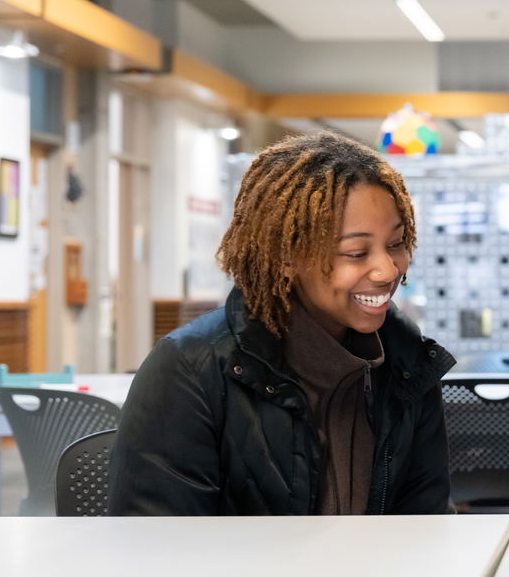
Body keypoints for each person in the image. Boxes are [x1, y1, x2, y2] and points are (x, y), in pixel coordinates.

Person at [108, 132, 456, 515]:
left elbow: (427, 524)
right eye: (355, 253)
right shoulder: (190, 369)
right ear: (285, 256)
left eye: (396, 243)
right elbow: (157, 548)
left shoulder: (406, 361)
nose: (388, 269)